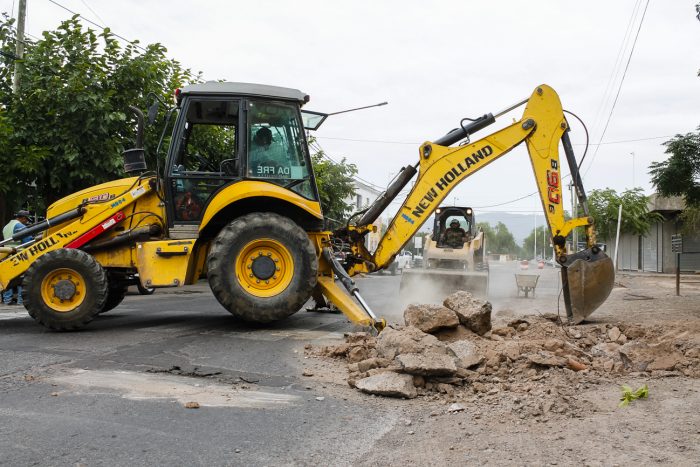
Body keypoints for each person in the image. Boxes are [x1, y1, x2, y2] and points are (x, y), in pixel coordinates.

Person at [2, 210, 33, 305]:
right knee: (22, 277)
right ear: (23, 218)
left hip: (7, 254)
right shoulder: (20, 226)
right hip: (19, 255)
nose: (26, 222)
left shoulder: (6, 226)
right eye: (26, 220)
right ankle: (21, 300)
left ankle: (7, 300)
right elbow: (28, 241)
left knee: (8, 277)